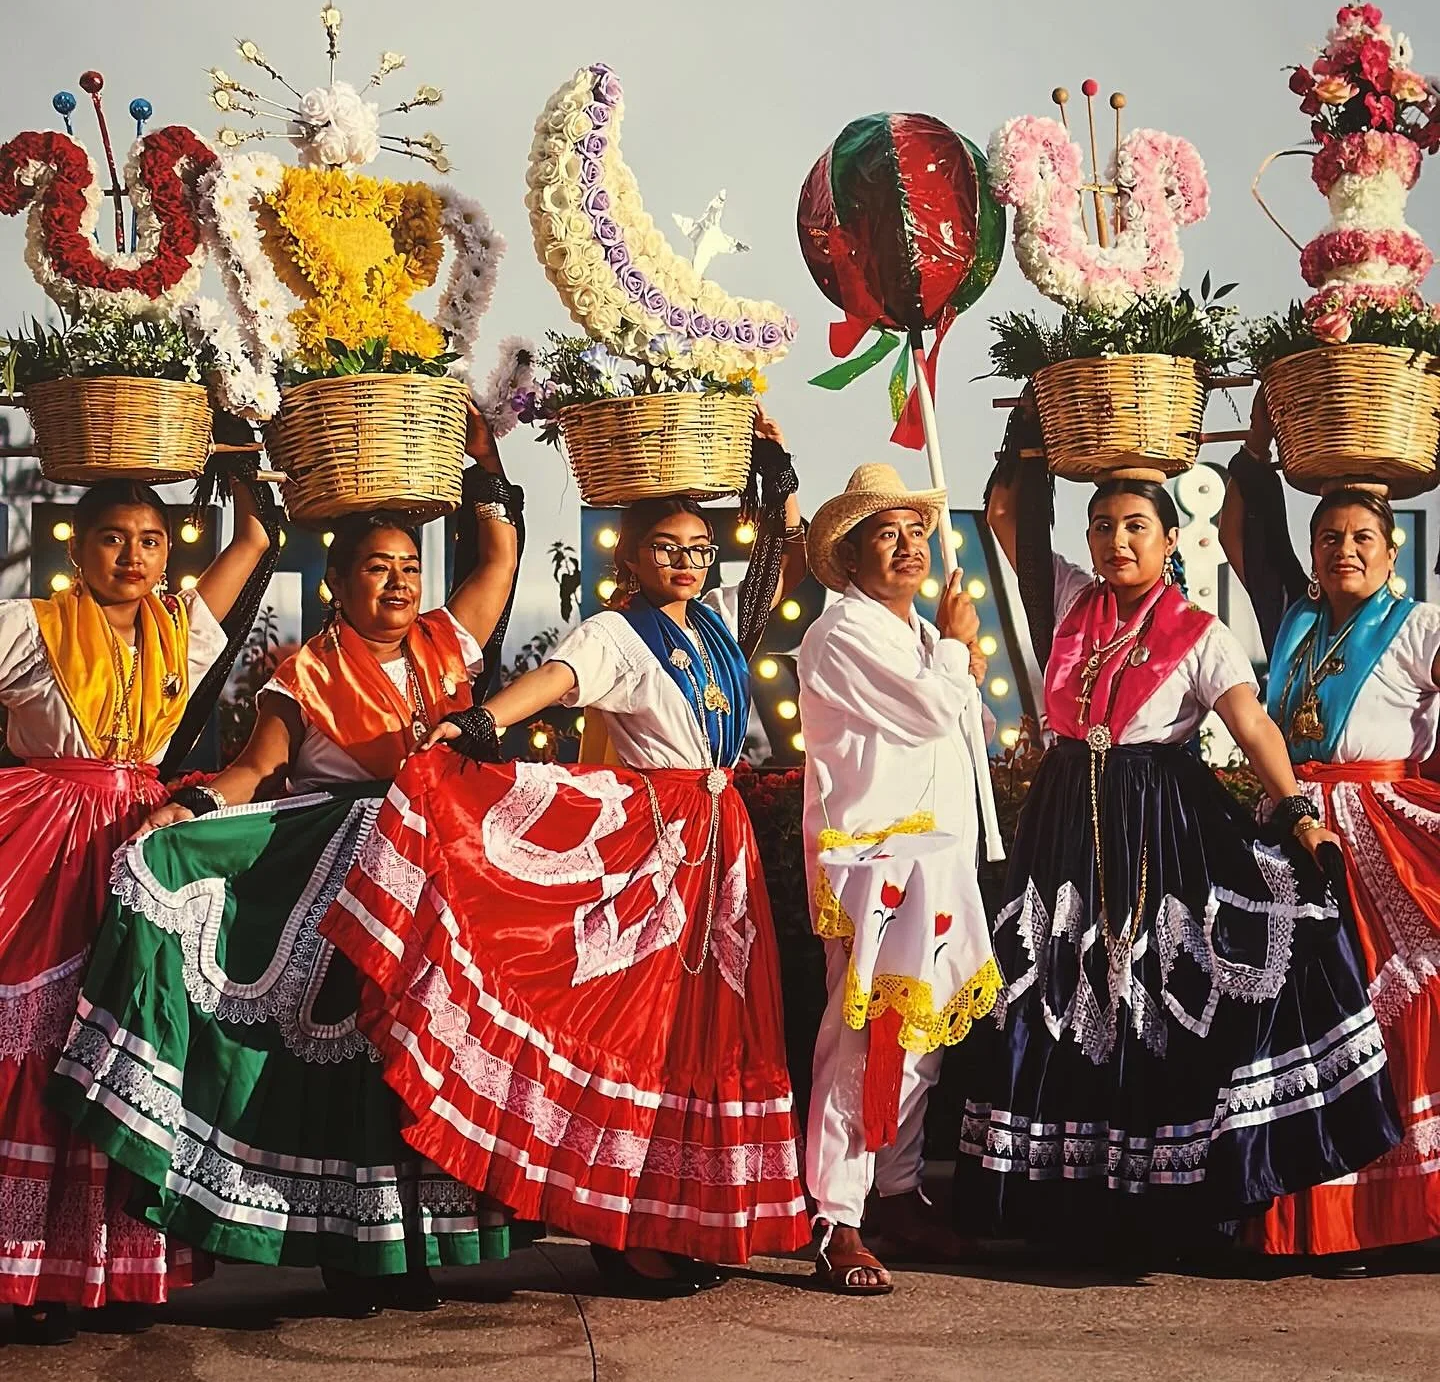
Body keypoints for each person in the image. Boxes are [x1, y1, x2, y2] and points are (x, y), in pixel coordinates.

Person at [322, 415, 814, 1297]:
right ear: (630, 557)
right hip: (656, 846)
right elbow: (554, 682)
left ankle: (676, 1212)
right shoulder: (616, 632)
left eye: (701, 549)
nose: (689, 563)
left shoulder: (712, 630)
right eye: (667, 549)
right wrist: (480, 723)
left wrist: (772, 473)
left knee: (703, 1035)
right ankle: (617, 1223)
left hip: (719, 847)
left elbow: (775, 571)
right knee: (636, 1028)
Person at [52, 406, 519, 1317]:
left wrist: (486, 464)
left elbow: (496, 560)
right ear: (336, 582)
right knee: (355, 1063)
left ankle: (418, 1243)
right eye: (375, 567)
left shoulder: (442, 641)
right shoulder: (303, 671)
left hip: (437, 870)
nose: (396, 581)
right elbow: (255, 770)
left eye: (409, 567)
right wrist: (188, 808)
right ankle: (356, 1256)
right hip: (341, 879)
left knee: (435, 1050)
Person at [952, 403, 1401, 1262]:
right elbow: (1006, 516)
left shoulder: (1203, 634)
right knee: (1056, 998)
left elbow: (1255, 727)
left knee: (1146, 1004)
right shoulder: (1070, 604)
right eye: (1102, 527)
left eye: (1135, 527)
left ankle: (1160, 1212)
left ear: (1169, 541)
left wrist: (1300, 815)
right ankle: (1055, 1208)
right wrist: (1027, 442)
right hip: (1062, 824)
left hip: (1158, 826)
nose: (1117, 541)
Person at [0, 473, 272, 1341]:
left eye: (149, 541)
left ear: (167, 556)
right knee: (44, 1040)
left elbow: (255, 541)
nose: (131, 555)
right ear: (73, 550)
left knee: (130, 1037)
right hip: (46, 842)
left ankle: (113, 1263)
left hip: (138, 843)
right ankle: (31, 1267)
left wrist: (240, 437)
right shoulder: (26, 627)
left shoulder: (175, 634)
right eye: (112, 538)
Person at [1222, 394, 1440, 1263]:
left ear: (1392, 555)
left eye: (1362, 540)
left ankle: (1401, 1212)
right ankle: (1308, 1209)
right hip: (1295, 826)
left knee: (1388, 1010)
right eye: (1329, 539)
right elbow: (1250, 536)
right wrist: (1258, 446)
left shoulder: (1416, 623)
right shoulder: (1299, 623)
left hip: (1376, 827)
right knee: (1300, 1019)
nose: (1344, 550)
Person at [797, 464, 1001, 1294]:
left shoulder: (915, 634)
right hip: (874, 857)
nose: (910, 546)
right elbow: (924, 712)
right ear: (848, 557)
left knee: (921, 1039)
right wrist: (957, 645)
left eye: (917, 532)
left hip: (938, 857)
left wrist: (954, 661)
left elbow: (961, 724)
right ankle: (835, 1216)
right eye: (888, 534)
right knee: (863, 1041)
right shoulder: (842, 631)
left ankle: (898, 1190)